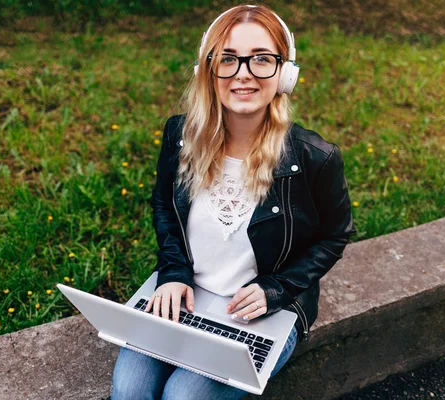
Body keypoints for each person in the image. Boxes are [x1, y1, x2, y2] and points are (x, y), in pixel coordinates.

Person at [111, 4, 355, 399]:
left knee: (184, 396)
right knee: (129, 389)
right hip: (186, 298)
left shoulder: (315, 157)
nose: (243, 73)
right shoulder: (179, 136)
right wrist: (172, 272)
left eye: (261, 59)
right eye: (228, 59)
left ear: (284, 73)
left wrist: (275, 289)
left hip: (261, 313)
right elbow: (165, 208)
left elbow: (335, 236)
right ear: (207, 72)